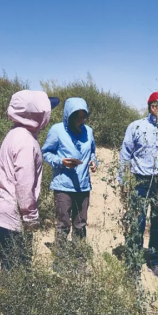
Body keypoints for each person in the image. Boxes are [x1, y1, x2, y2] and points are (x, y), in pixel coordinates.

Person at [118, 91, 158, 280]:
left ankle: (155, 262)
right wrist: (123, 180)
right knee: (137, 222)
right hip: (140, 181)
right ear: (154, 107)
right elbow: (125, 155)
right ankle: (133, 261)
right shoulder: (136, 127)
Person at [0, 90, 54, 272]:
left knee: (9, 269)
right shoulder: (26, 141)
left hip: (1, 215)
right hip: (13, 218)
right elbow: (24, 185)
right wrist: (31, 218)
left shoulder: (14, 134)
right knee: (18, 273)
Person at [42, 97, 97, 267]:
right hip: (63, 186)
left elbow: (92, 152)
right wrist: (61, 162)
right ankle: (60, 260)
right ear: (68, 116)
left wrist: (93, 162)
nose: (81, 120)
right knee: (63, 224)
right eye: (77, 116)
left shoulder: (89, 131)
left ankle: (78, 258)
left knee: (80, 224)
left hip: (83, 186)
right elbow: (46, 153)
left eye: (83, 116)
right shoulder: (57, 130)